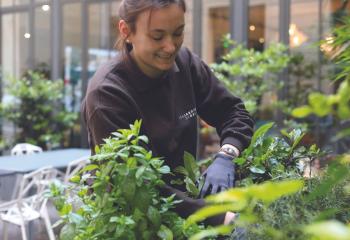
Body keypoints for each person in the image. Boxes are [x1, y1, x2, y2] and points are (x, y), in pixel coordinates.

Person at [81, 0, 254, 226]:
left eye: (178, 33)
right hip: (130, 222)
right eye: (157, 36)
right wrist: (220, 217)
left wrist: (226, 155)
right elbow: (136, 188)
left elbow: (232, 111)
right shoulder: (108, 95)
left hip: (186, 204)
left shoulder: (185, 64)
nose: (170, 47)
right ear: (126, 31)